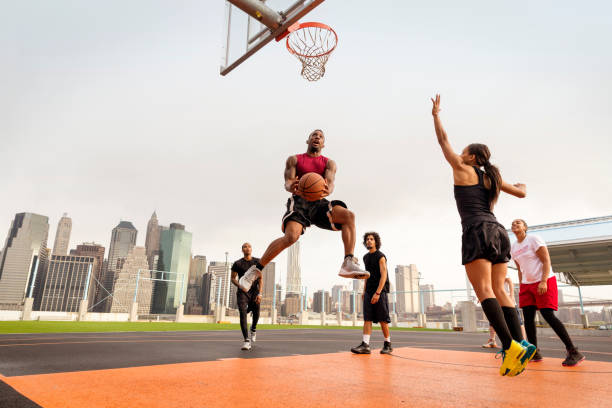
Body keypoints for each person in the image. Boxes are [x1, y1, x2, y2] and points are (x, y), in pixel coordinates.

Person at [430, 94, 535, 376]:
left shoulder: (463, 168)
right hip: (499, 232)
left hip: (476, 229)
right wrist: (521, 184)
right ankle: (521, 342)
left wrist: (436, 115)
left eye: (465, 152)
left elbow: (443, 141)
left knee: (485, 291)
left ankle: (510, 346)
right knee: (501, 290)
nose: (460, 154)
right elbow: (522, 191)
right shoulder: (493, 178)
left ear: (472, 157)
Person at [238, 129, 369, 292]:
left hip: (319, 202)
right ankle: (255, 270)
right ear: (308, 140)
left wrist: (329, 190)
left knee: (349, 216)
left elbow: (331, 183)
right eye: (314, 135)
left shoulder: (329, 163)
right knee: (291, 237)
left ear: (323, 144)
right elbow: (287, 182)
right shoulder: (294, 159)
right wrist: (290, 186)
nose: (317, 137)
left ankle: (348, 262)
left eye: (321, 137)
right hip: (300, 200)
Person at [510, 219, 585, 366]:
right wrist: (521, 286)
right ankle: (534, 352)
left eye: (518, 223)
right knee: (528, 318)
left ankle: (574, 352)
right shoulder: (513, 247)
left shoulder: (533, 239)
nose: (515, 225)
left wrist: (543, 281)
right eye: (513, 223)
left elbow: (546, 260)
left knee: (547, 315)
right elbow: (520, 269)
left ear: (525, 227)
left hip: (543, 280)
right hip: (526, 284)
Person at [351, 232, 392, 355]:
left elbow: (384, 275)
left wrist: (378, 293)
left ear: (376, 242)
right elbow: (366, 275)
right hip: (369, 291)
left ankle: (388, 344)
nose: (369, 241)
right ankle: (365, 345)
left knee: (382, 319)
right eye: (367, 239)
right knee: (367, 318)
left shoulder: (381, 256)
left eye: (371, 239)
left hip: (380, 291)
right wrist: (364, 291)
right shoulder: (365, 257)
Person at [230, 242, 262, 351]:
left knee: (257, 313)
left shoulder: (257, 261)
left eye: (249, 246)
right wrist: (240, 286)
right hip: (242, 292)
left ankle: (253, 328)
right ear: (242, 250)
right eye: (244, 246)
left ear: (251, 249)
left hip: (254, 292)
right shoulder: (237, 263)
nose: (247, 248)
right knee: (243, 313)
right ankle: (246, 341)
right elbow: (233, 278)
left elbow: (260, 278)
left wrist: (260, 293)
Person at [482, 277, 526, 348]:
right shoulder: (488, 274)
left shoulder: (497, 268)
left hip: (507, 300)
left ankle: (523, 342)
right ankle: (492, 341)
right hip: (496, 301)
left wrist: (512, 295)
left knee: (518, 322)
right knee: (493, 321)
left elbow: (509, 280)